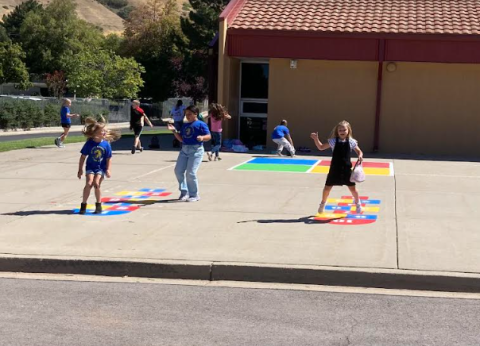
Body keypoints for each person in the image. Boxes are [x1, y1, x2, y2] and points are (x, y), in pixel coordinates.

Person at [310, 120, 364, 214]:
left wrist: (360, 156)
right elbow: (321, 147)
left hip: (347, 169)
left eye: (344, 130)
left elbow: (359, 151)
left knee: (353, 189)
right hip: (334, 169)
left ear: (348, 131)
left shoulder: (351, 142)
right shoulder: (333, 141)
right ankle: (323, 203)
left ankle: (358, 204)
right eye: (340, 130)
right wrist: (315, 139)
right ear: (337, 131)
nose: (342, 132)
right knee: (327, 188)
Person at [77, 117, 121, 215]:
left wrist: (108, 169)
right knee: (89, 183)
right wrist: (80, 169)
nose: (104, 133)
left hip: (101, 168)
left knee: (96, 184)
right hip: (90, 167)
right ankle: (83, 204)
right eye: (102, 131)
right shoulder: (89, 143)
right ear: (95, 134)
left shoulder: (106, 144)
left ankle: (98, 205)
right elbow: (83, 157)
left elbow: (108, 158)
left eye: (105, 131)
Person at [167, 105, 211, 202]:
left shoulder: (201, 124)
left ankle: (194, 195)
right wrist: (174, 131)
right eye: (186, 114)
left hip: (196, 150)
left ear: (196, 114)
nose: (187, 116)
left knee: (190, 173)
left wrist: (203, 138)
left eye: (190, 114)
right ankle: (184, 192)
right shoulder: (185, 125)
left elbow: (209, 136)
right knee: (178, 171)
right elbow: (182, 139)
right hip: (184, 150)